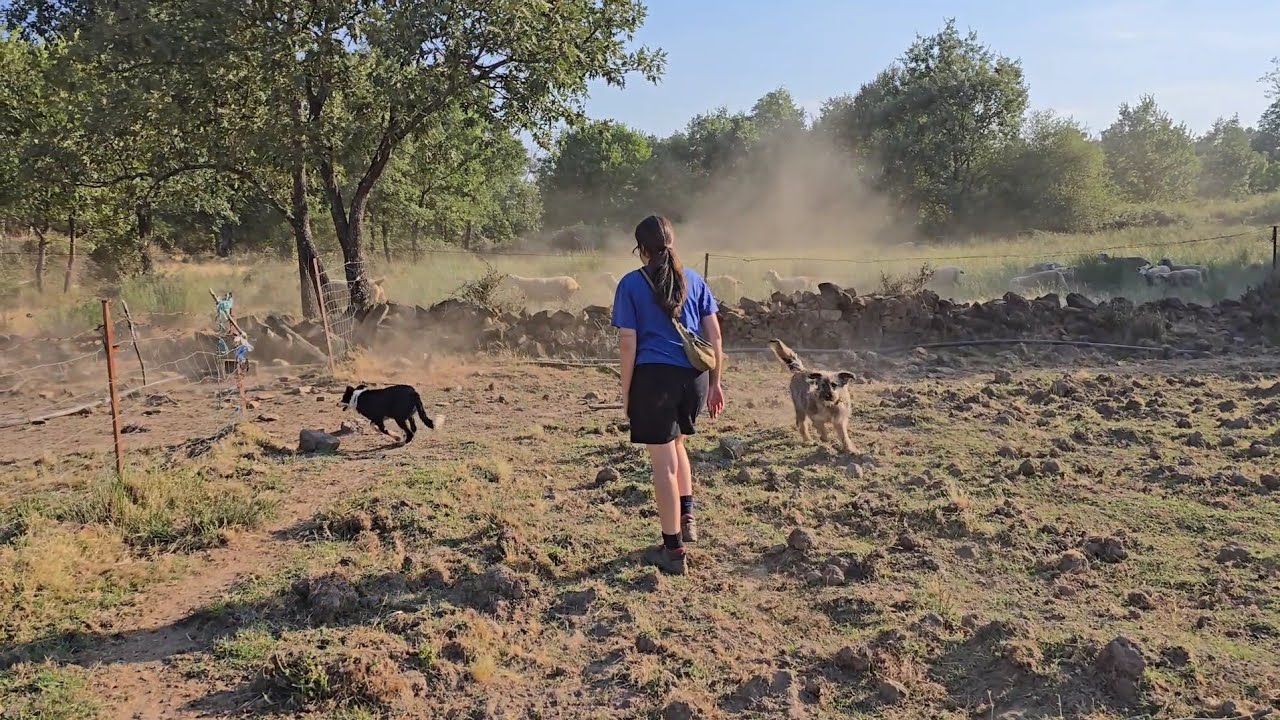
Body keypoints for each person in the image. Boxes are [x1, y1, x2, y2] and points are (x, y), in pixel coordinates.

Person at [611, 215, 725, 575]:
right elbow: (716, 337)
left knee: (662, 463)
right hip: (695, 380)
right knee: (677, 446)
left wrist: (626, 391)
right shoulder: (693, 279)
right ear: (672, 242)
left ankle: (673, 550)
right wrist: (717, 383)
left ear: (641, 249)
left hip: (654, 381)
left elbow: (628, 343)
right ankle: (687, 518)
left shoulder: (630, 284)